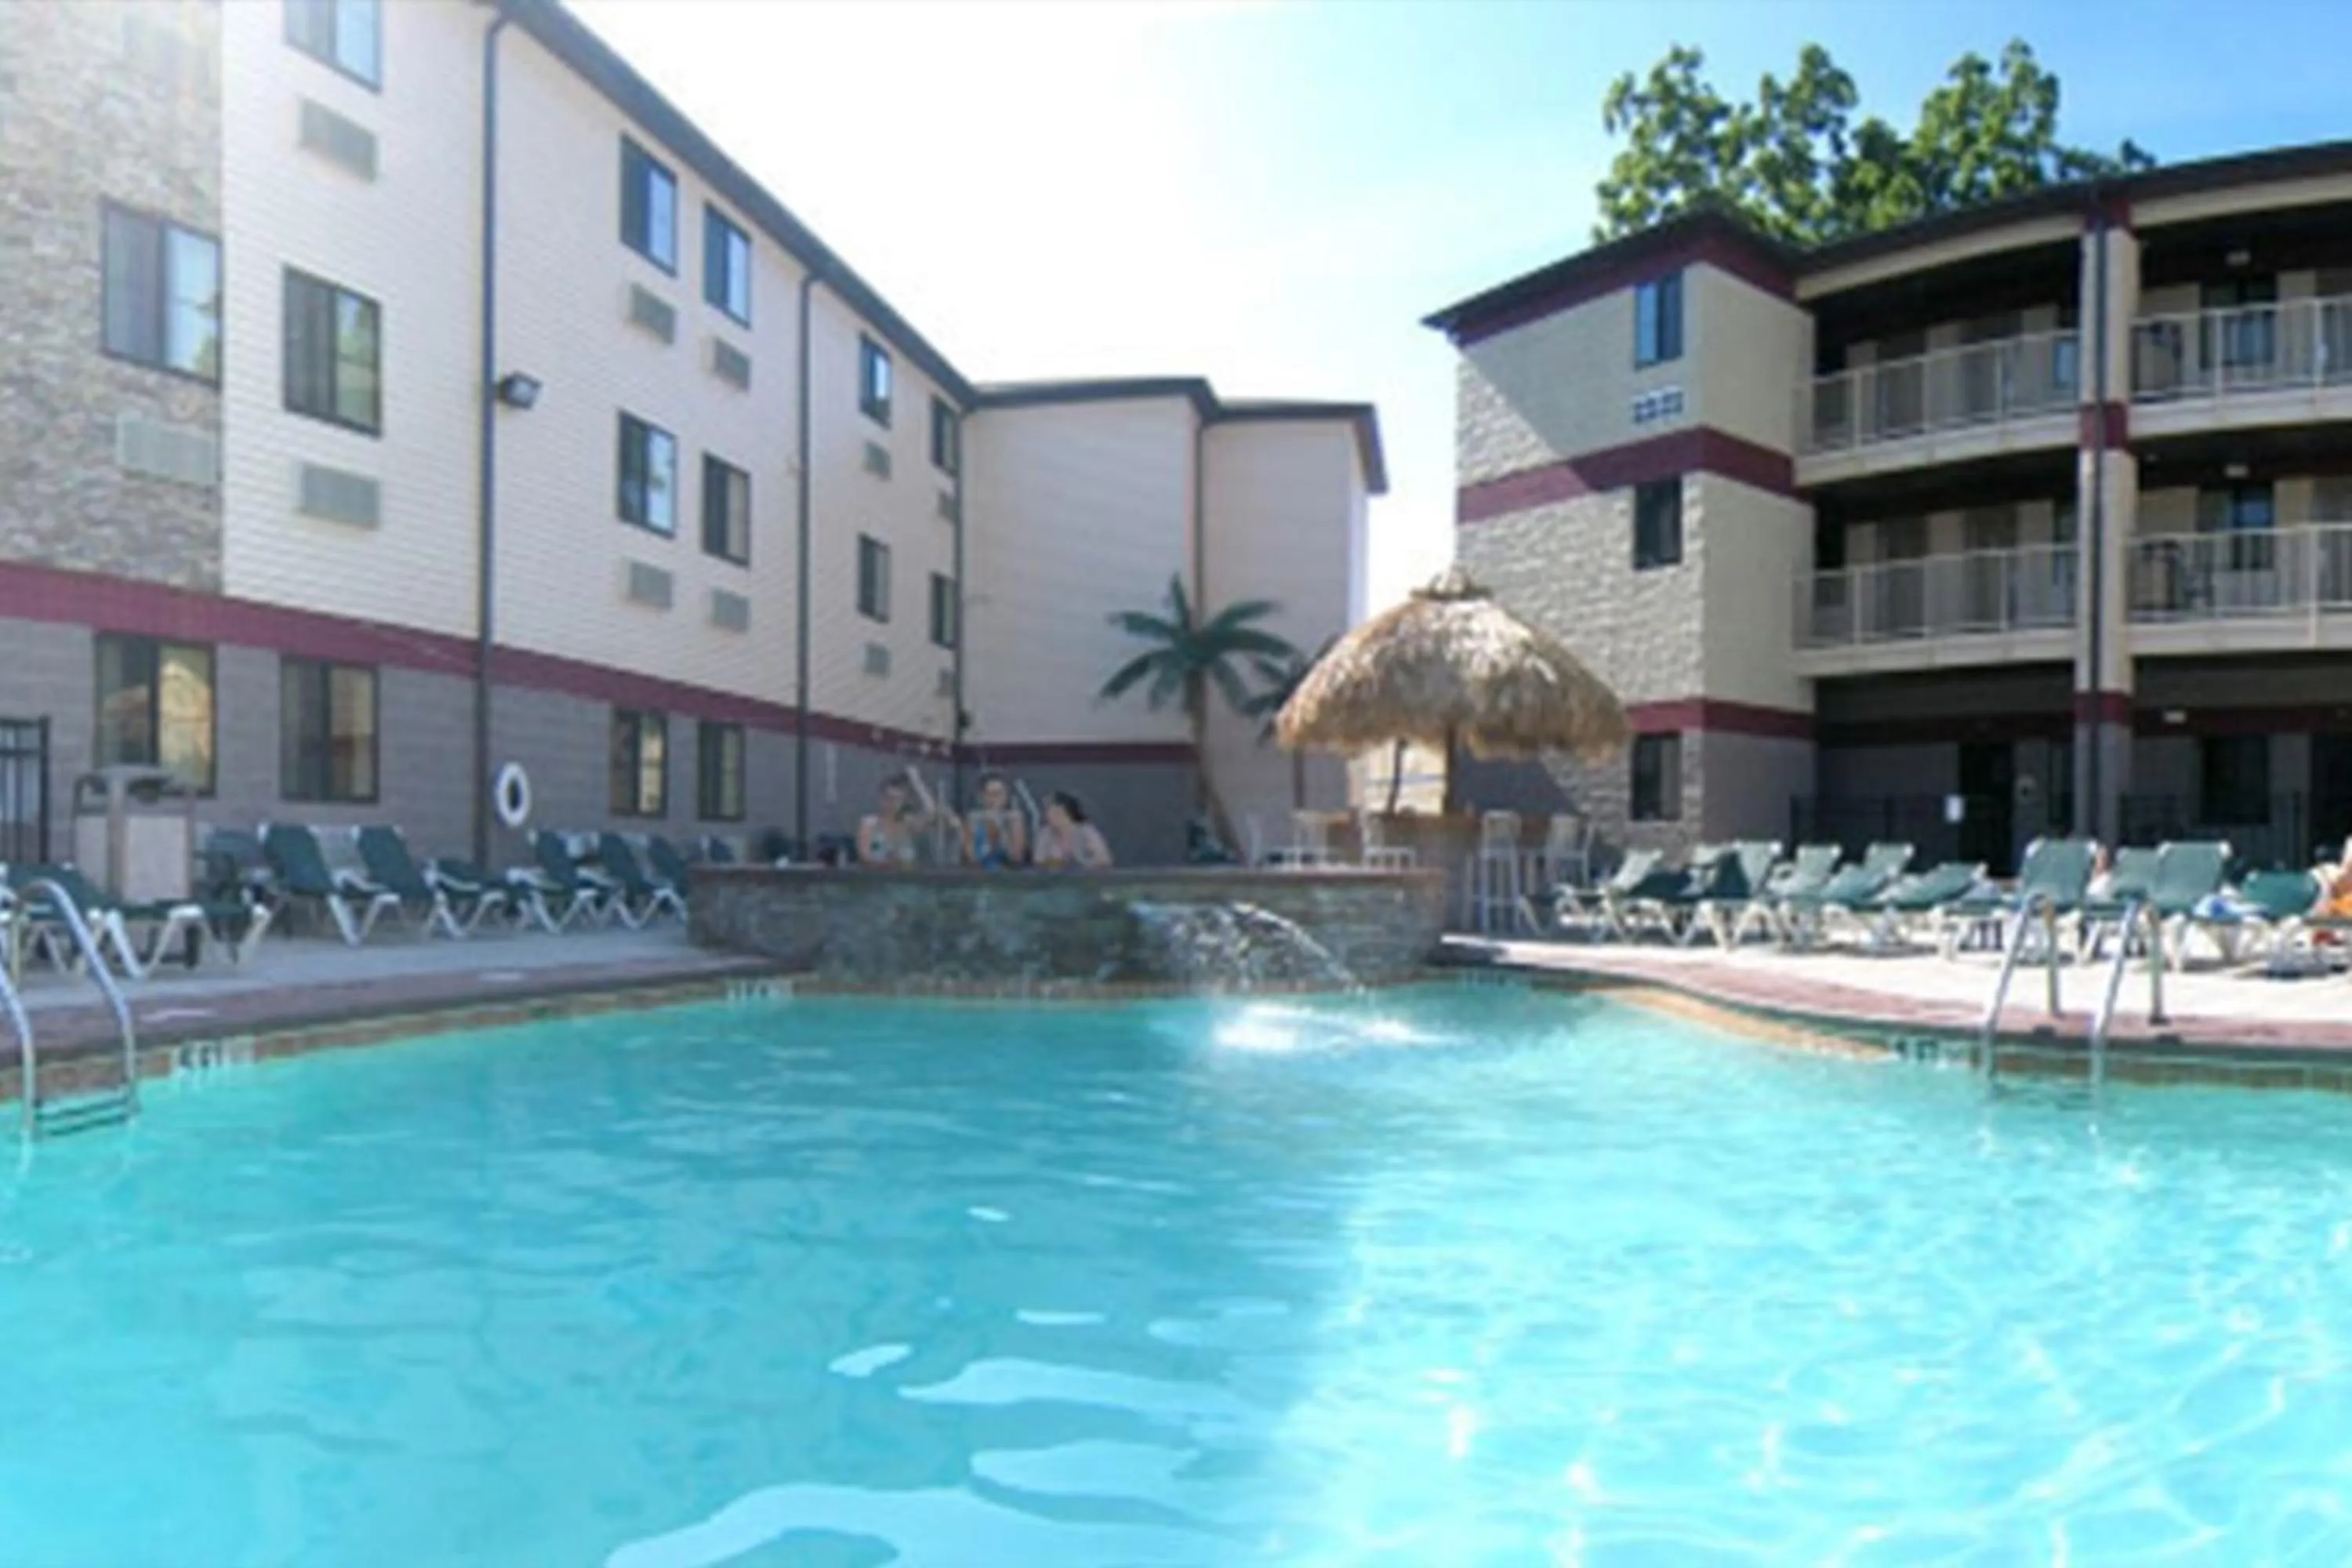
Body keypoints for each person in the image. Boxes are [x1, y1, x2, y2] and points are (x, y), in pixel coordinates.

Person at [855, 775, 931, 869]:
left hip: (905, 876)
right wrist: (890, 863)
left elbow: (930, 812)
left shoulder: (907, 825)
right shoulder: (869, 824)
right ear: (881, 799)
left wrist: (916, 781)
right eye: (889, 799)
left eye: (897, 800)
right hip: (877, 875)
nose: (893, 804)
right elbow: (865, 857)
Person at [962, 772, 1029, 869]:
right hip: (980, 870)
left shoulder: (1014, 818)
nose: (994, 799)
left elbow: (1017, 856)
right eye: (990, 794)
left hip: (1006, 869)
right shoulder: (973, 818)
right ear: (983, 796)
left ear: (1006, 796)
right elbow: (970, 855)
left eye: (998, 794)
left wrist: (1000, 827)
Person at [1033, 792, 1112, 869]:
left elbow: (1104, 858)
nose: (1049, 817)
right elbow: (1038, 860)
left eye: (1056, 813)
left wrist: (1086, 865)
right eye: (1049, 813)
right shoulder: (1046, 833)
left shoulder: (1086, 831)